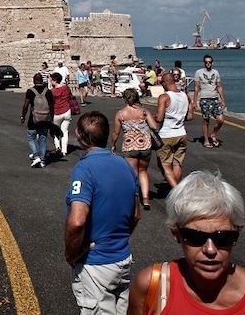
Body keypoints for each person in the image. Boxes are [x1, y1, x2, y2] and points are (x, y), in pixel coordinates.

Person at [127, 170, 245, 315]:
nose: (210, 250)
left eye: (223, 238)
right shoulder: (151, 287)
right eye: (194, 237)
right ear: (176, 234)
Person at [65, 111, 141, 315]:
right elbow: (136, 214)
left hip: (96, 263)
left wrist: (72, 254)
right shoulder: (125, 166)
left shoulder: (84, 169)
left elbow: (77, 221)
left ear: (78, 135)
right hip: (122, 259)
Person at [111, 88, 160, 210]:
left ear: (124, 99)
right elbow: (154, 126)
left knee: (132, 174)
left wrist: (113, 144)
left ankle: (134, 199)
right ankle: (146, 199)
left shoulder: (120, 114)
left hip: (130, 146)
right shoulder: (144, 111)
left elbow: (116, 133)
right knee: (143, 171)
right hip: (145, 145)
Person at [155, 72, 193, 190]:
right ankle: (175, 188)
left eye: (161, 83)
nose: (161, 85)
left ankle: (176, 191)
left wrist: (151, 116)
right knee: (177, 164)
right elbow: (190, 117)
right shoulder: (184, 96)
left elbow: (159, 118)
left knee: (164, 164)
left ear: (166, 82)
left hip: (166, 134)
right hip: (181, 133)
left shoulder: (164, 97)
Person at [20, 73, 54, 168]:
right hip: (45, 119)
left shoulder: (30, 91)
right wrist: (51, 118)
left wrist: (23, 116)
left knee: (31, 137)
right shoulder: (48, 91)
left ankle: (36, 156)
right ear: (42, 80)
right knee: (43, 139)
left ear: (34, 80)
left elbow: (26, 105)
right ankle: (42, 160)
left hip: (33, 119)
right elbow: (51, 106)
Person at [193, 54, 227, 148]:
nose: (208, 64)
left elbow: (219, 86)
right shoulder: (198, 72)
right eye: (206, 62)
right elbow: (196, 87)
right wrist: (195, 101)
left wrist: (223, 100)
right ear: (204, 63)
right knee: (206, 120)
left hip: (215, 98)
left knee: (221, 119)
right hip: (204, 99)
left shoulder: (216, 72)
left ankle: (214, 134)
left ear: (212, 63)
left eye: (210, 62)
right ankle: (206, 140)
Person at [50, 72, 73, 157]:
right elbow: (70, 96)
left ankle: (58, 147)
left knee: (55, 131)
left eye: (51, 80)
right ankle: (64, 150)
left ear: (55, 80)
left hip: (57, 112)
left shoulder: (52, 91)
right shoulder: (66, 88)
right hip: (67, 111)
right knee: (65, 131)